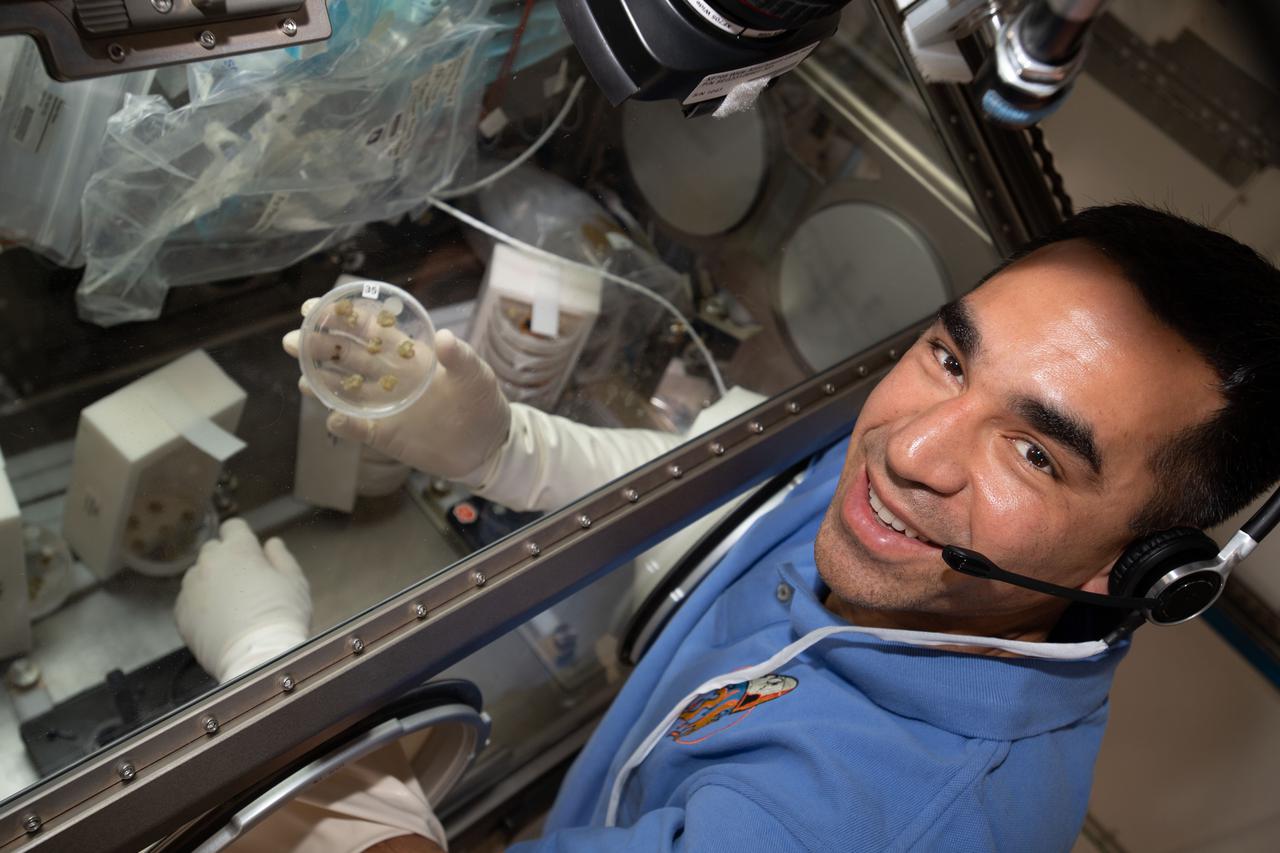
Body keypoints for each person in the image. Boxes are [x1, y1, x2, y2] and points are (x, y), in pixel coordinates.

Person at [176, 204, 1280, 852]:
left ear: (1137, 572)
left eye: (1033, 452)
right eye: (950, 354)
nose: (909, 450)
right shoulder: (921, 518)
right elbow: (727, 492)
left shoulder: (853, 822)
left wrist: (275, 689)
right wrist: (503, 448)